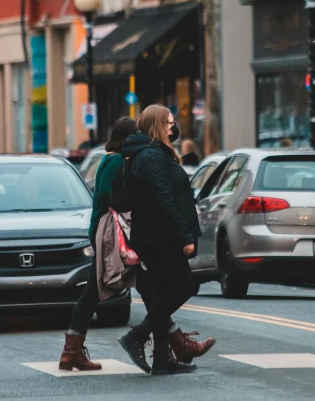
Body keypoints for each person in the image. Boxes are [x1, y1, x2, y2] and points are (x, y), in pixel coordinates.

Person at [59, 117, 214, 372]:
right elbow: (115, 198)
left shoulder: (115, 159)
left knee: (148, 290)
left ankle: (176, 344)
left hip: (116, 234)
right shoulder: (115, 160)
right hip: (113, 235)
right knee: (95, 292)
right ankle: (72, 351)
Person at [118, 105, 204, 375]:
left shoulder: (150, 154)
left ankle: (161, 359)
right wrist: (184, 235)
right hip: (161, 237)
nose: (172, 127)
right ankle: (137, 336)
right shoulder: (151, 157)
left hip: (154, 235)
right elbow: (164, 199)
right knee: (183, 287)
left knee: (160, 295)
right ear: (157, 125)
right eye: (168, 123)